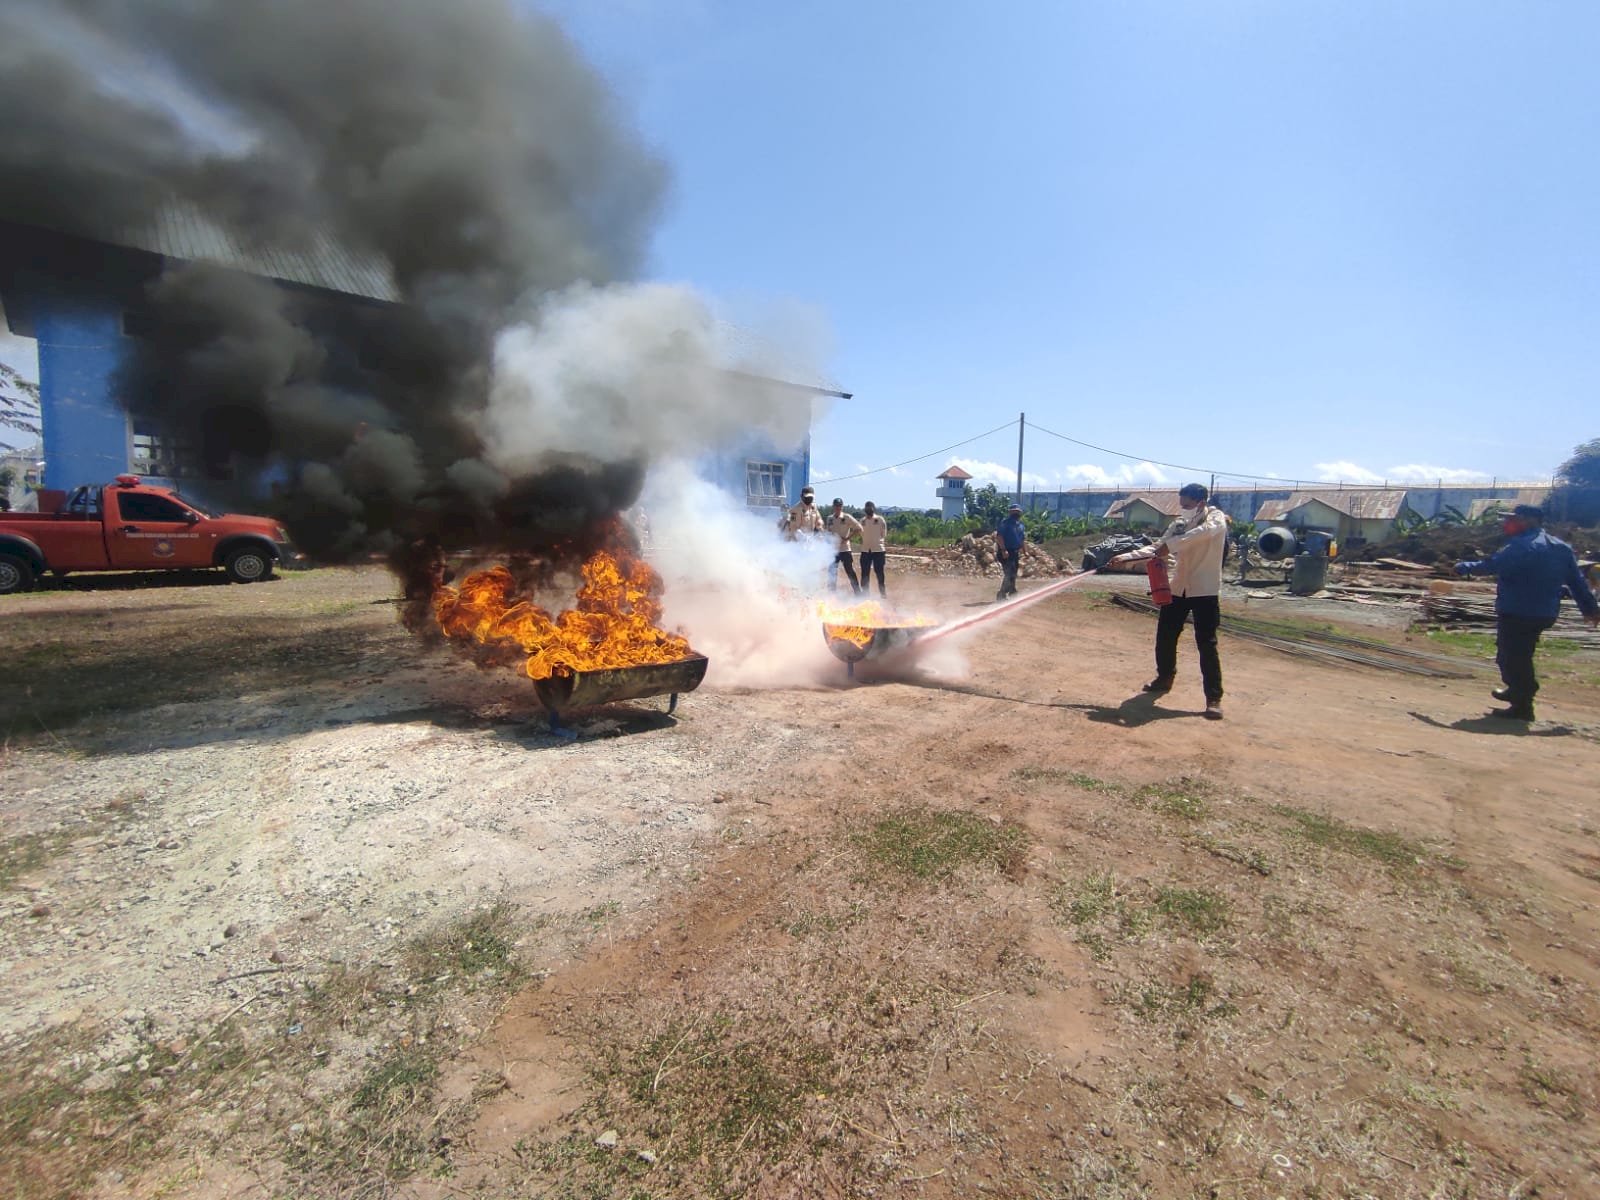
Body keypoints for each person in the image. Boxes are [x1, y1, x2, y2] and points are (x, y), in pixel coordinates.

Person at [1454, 504, 1599, 721]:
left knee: (1513, 658)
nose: (1507, 523)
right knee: (1517, 654)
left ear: (1529, 521)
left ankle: (1523, 704)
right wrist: (1590, 610)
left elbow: (1492, 565)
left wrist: (1462, 567)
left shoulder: (1522, 546)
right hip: (1545, 612)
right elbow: (1577, 582)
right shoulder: (1561, 548)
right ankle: (1517, 692)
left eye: (1514, 519)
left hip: (1518, 610)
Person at [1108, 482, 1229, 719]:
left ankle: (1213, 698)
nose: (1182, 509)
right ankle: (1165, 677)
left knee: (1207, 643)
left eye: (1186, 505)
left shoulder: (1216, 519)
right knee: (1165, 635)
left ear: (1200, 503)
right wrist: (1127, 557)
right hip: (1178, 589)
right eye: (1181, 504)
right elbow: (1158, 546)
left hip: (1205, 590)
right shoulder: (1180, 524)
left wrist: (1169, 546)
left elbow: (1197, 536)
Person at [825, 497, 863, 593]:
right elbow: (828, 532)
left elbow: (859, 528)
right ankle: (831, 594)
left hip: (845, 549)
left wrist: (847, 538)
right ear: (833, 507)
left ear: (842, 507)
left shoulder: (847, 517)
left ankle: (857, 592)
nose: (838, 508)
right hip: (833, 550)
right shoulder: (829, 519)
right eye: (836, 506)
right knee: (832, 572)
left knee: (850, 571)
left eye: (840, 506)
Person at [995, 504, 1026, 601]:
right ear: (1010, 512)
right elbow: (999, 537)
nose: (1015, 513)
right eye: (1013, 511)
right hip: (1006, 552)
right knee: (1009, 573)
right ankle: (1002, 594)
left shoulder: (1020, 525)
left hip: (1015, 552)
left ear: (1020, 513)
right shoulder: (1005, 523)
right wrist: (1004, 550)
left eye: (1017, 511)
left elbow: (1022, 539)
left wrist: (1025, 551)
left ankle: (1012, 591)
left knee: (1013, 573)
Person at [858, 500, 889, 598]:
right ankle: (865, 594)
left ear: (874, 509)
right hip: (865, 550)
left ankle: (882, 593)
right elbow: (861, 534)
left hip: (878, 550)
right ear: (865, 510)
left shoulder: (880, 520)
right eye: (867, 509)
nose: (869, 510)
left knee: (879, 572)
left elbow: (883, 534)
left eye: (870, 508)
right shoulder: (862, 521)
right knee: (864, 573)